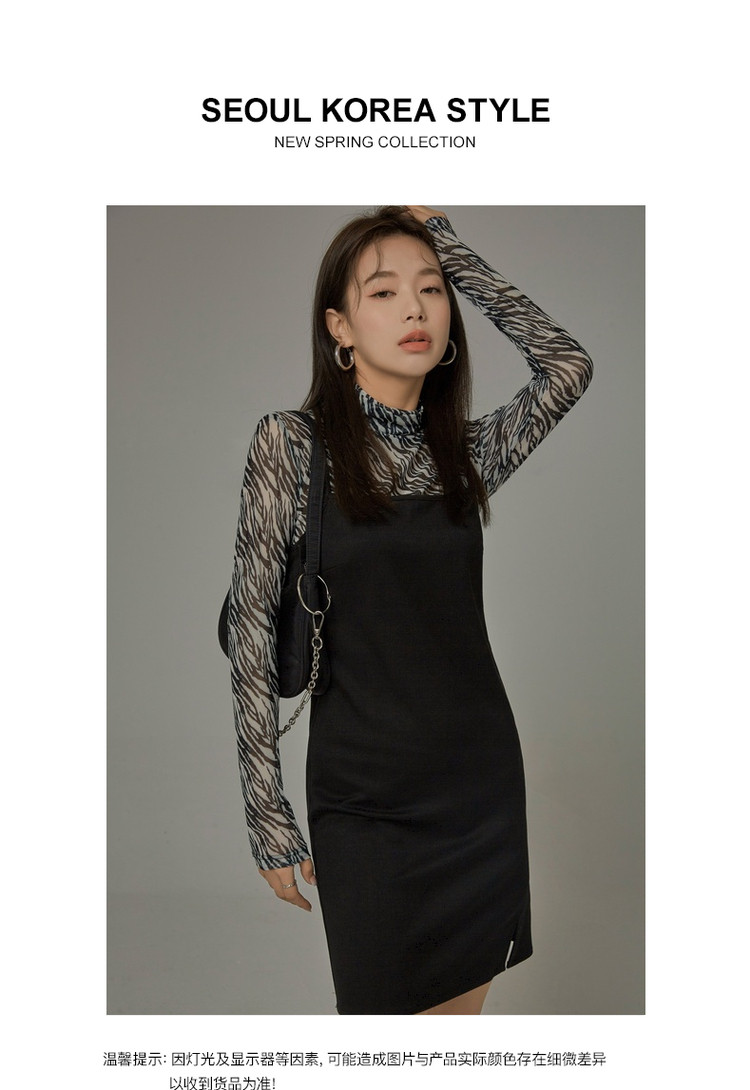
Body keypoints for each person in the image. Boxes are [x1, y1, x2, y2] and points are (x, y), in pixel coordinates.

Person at [227, 205, 593, 1015]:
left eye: (431, 290)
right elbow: (251, 631)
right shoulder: (291, 444)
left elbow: (566, 365)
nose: (416, 308)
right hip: (364, 799)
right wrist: (266, 813)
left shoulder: (464, 454)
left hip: (476, 792)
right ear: (340, 327)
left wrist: (447, 244)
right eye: (384, 291)